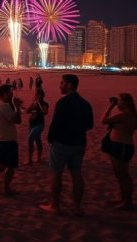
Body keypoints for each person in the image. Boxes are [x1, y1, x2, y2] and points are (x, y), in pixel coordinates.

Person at [40, 74, 93, 216]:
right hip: (79, 143)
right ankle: (77, 207)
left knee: (57, 173)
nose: (60, 85)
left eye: (62, 83)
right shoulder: (85, 103)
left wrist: (51, 138)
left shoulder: (63, 103)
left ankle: (55, 206)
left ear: (69, 85)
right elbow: (90, 124)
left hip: (62, 144)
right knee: (76, 174)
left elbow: (56, 124)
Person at [100, 93, 136, 210]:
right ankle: (124, 198)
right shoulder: (130, 114)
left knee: (123, 175)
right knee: (120, 174)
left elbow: (104, 120)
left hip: (122, 146)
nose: (118, 103)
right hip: (121, 146)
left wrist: (110, 106)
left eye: (119, 101)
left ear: (125, 103)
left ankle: (128, 202)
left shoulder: (125, 115)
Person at [0, 84, 22, 195]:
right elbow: (17, 120)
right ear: (4, 94)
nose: (12, 94)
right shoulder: (5, 106)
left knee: (2, 163)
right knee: (10, 166)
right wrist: (17, 107)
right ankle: (6, 188)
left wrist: (12, 103)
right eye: (10, 92)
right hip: (8, 139)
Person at [25, 88, 49, 165]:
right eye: (36, 94)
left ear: (42, 95)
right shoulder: (34, 103)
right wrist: (32, 106)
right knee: (38, 140)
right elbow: (27, 111)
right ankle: (37, 159)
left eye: (38, 94)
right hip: (31, 124)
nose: (36, 95)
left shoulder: (44, 103)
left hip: (39, 124)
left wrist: (38, 103)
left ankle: (30, 160)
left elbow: (45, 112)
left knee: (30, 138)